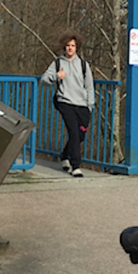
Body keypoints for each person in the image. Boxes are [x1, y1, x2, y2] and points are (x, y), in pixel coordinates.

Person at [41, 30, 95, 177]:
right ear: (64, 47)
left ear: (77, 47)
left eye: (73, 45)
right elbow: (44, 79)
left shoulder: (84, 65)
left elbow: (89, 86)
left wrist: (89, 106)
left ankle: (64, 155)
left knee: (80, 135)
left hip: (82, 104)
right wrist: (56, 76)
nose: (70, 48)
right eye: (68, 45)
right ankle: (75, 165)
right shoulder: (58, 63)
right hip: (65, 102)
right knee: (73, 131)